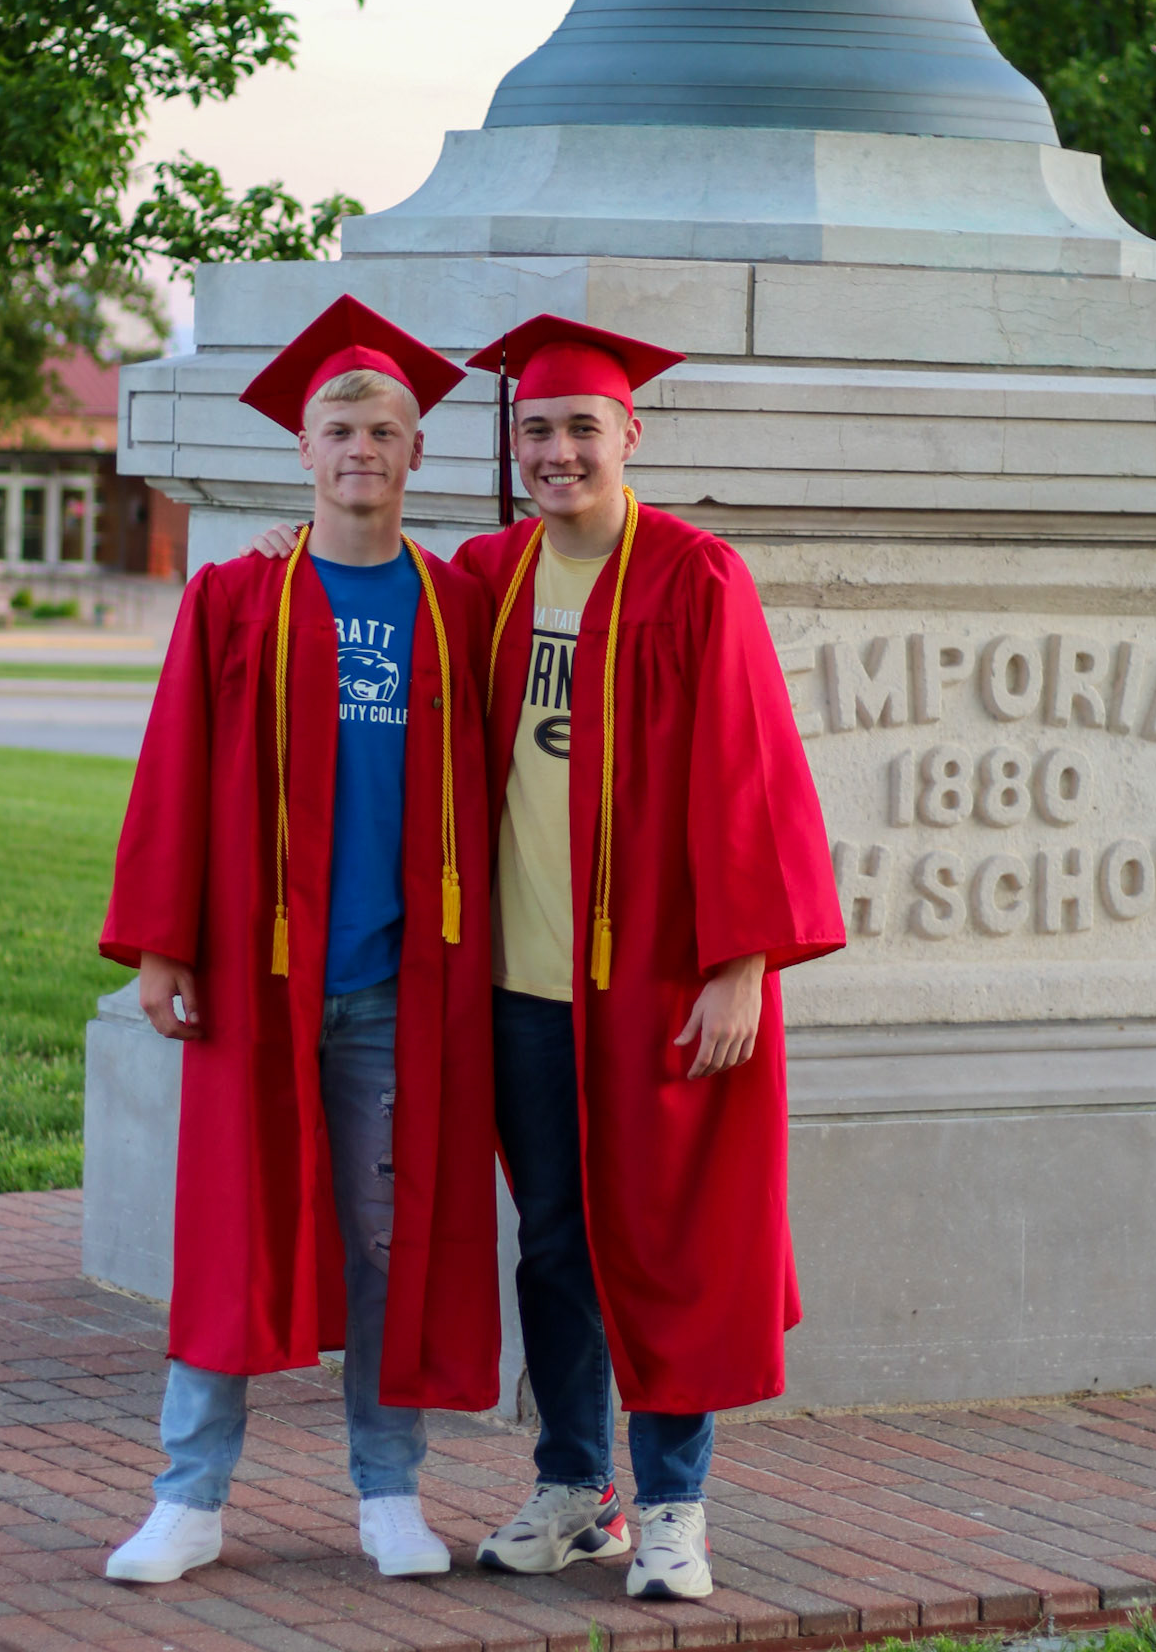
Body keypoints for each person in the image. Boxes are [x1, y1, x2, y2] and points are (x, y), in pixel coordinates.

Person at [250, 312, 846, 1602]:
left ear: (631, 434)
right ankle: (580, 1488)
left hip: (664, 985)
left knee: (672, 1238)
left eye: (584, 427)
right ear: (512, 447)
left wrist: (745, 964)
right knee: (556, 1244)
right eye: (538, 430)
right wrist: (286, 566)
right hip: (520, 985)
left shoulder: (695, 575)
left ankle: (676, 1502)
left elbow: (750, 779)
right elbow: (372, 608)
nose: (561, 451)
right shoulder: (488, 575)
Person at [99, 296, 498, 1587]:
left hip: (396, 986)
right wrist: (164, 949)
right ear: (304, 448)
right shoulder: (236, 598)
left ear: (416, 454)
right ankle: (190, 1497)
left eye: (385, 429)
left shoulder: (456, 610)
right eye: (340, 428)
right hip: (258, 980)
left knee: (388, 1238)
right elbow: (172, 778)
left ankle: (388, 1491)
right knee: (227, 1223)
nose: (360, 449)